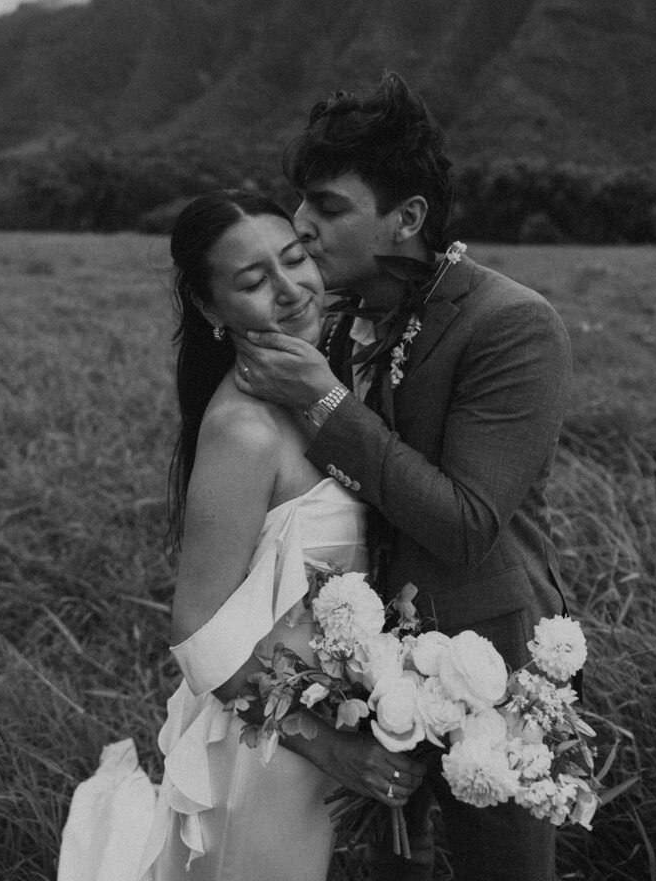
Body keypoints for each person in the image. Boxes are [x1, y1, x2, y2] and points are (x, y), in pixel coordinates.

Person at [233, 74, 573, 881]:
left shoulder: (512, 324)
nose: (302, 228)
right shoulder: (334, 318)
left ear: (408, 217)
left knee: (505, 869)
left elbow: (463, 522)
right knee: (391, 869)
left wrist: (322, 399)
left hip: (493, 661)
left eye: (329, 207)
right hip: (358, 660)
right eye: (299, 204)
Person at [126, 190, 424, 881]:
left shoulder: (325, 392)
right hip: (268, 751)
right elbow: (197, 628)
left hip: (330, 731)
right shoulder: (244, 430)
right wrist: (329, 748)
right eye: (253, 282)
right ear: (210, 309)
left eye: (295, 260)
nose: (290, 291)